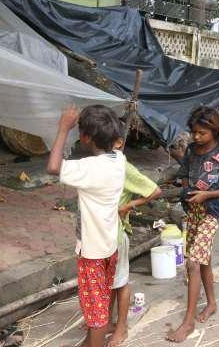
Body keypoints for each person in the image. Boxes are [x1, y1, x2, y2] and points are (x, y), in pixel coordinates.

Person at [47, 105, 126, 347]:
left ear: (84, 137)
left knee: (96, 312)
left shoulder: (89, 168)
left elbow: (53, 167)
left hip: (92, 252)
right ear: (116, 140)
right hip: (109, 245)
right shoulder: (119, 160)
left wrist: (62, 129)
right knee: (100, 300)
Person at [167, 107, 219, 342]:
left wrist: (206, 195)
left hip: (211, 212)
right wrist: (188, 188)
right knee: (203, 258)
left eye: (201, 133)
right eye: (194, 133)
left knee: (193, 263)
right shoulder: (191, 150)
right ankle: (211, 304)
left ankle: (188, 322)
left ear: (214, 130)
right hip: (193, 211)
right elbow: (186, 174)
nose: (196, 137)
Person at [108, 139, 162, 347]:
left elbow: (154, 191)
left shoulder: (123, 167)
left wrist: (129, 205)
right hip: (103, 233)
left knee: (120, 282)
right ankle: (110, 322)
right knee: (110, 281)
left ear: (118, 142)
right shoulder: (100, 164)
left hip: (117, 232)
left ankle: (121, 327)